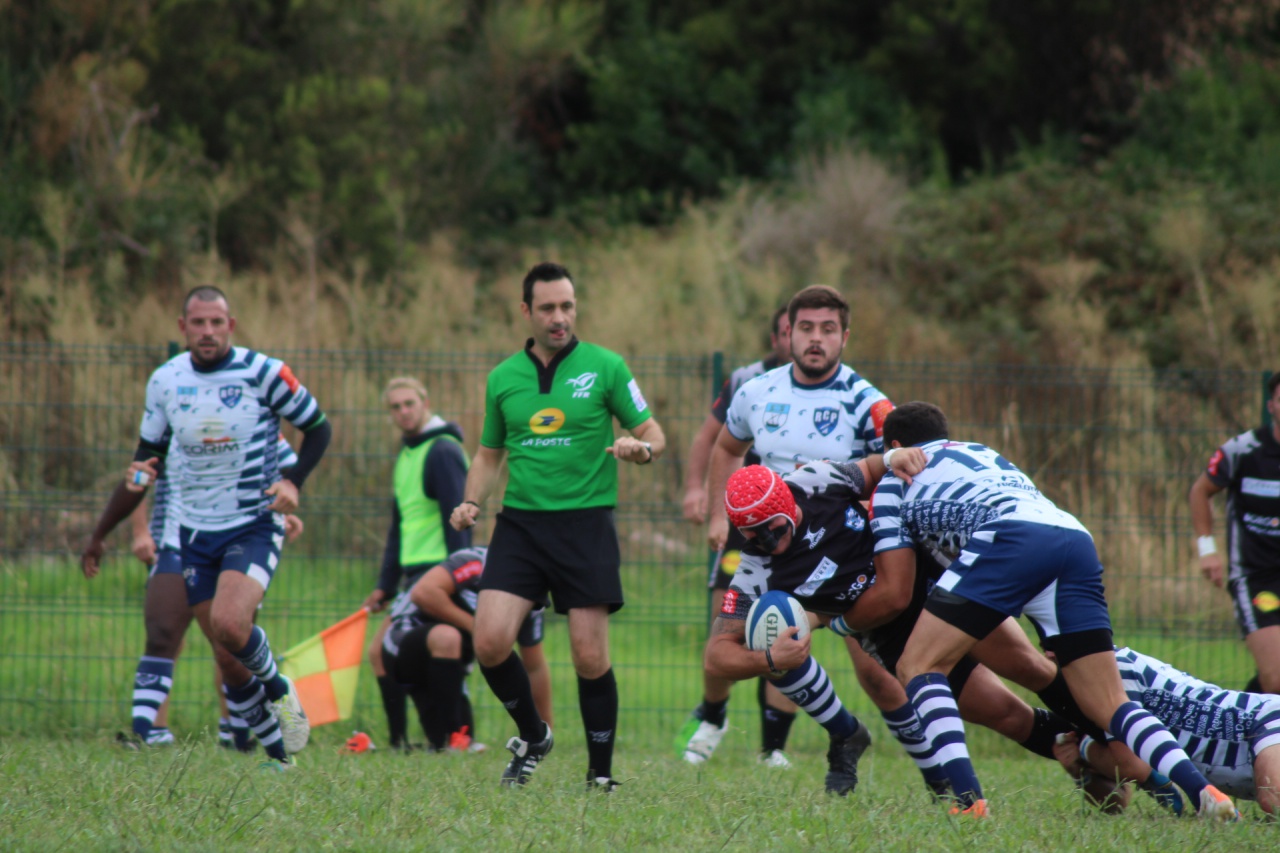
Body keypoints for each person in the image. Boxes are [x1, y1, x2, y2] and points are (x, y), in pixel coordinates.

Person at [870, 400, 1238, 819]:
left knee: (918, 665)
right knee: (1110, 702)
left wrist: (841, 619)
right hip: (1071, 535)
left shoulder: (893, 480)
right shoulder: (980, 452)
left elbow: (895, 588)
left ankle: (968, 802)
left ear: (895, 445)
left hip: (1010, 536)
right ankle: (1205, 792)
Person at [714, 460, 1080, 798]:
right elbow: (716, 656)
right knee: (1007, 716)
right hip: (892, 637)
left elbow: (877, 468)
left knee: (1033, 669)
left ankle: (1112, 733)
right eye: (753, 537)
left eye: (771, 530)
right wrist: (768, 657)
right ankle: (1086, 756)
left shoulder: (814, 481)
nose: (766, 543)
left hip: (936, 587)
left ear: (787, 503)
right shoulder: (755, 571)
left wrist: (894, 458)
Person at [81, 285, 332, 767]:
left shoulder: (264, 373)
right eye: (198, 323)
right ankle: (280, 757)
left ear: (231, 326)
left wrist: (294, 482)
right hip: (192, 533)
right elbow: (143, 464)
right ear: (183, 328)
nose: (208, 331)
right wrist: (100, 532)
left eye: (217, 322)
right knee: (226, 654)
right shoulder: (166, 382)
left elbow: (319, 427)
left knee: (230, 624)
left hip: (252, 524)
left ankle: (281, 693)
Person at [449, 261, 666, 790]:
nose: (559, 317)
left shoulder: (607, 366)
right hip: (520, 526)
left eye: (567, 305)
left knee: (589, 656)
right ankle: (534, 735)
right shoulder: (503, 378)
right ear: (526, 311)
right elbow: (486, 454)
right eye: (547, 307)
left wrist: (642, 449)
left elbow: (653, 432)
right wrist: (471, 501)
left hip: (585, 524)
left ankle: (600, 776)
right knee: (490, 641)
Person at [682, 284, 905, 769]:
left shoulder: (865, 400)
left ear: (845, 336)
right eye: (806, 328)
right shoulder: (756, 391)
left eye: (828, 329)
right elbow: (725, 447)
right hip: (763, 544)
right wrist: (721, 514)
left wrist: (873, 531)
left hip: (841, 550)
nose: (815, 339)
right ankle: (716, 718)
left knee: (878, 674)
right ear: (788, 332)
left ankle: (930, 759)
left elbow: (893, 468)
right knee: (751, 633)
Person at [677, 306, 803, 766]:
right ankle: (713, 716)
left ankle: (773, 748)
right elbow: (710, 440)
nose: (799, 339)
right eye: (791, 331)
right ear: (775, 338)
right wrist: (702, 497)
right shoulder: (748, 382)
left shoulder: (833, 388)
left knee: (788, 622)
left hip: (795, 528)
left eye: (807, 329)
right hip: (742, 526)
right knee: (723, 618)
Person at [120, 436, 303, 752]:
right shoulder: (175, 407)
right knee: (163, 634)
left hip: (238, 544)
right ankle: (145, 733)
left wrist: (280, 512)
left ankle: (239, 734)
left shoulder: (255, 410)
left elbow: (286, 469)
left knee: (229, 642)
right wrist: (139, 531)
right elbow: (138, 475)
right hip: (176, 542)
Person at [361, 377, 471, 751]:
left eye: (410, 403)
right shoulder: (408, 454)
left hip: (439, 575)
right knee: (386, 652)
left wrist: (456, 582)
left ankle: (449, 738)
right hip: (413, 576)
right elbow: (399, 528)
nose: (403, 412)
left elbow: (460, 522)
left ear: (425, 402)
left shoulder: (441, 451)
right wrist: (385, 585)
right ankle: (409, 741)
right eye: (395, 406)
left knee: (400, 648)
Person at [1053, 645, 1280, 817]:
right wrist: (1080, 772)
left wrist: (1085, 749)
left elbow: (1132, 766)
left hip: (1265, 717)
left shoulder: (1115, 668)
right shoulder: (1088, 696)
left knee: (1274, 799)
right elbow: (1116, 803)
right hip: (1256, 739)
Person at [380, 545, 553, 751]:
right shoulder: (475, 560)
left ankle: (447, 741)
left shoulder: (531, 597)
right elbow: (423, 593)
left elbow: (534, 668)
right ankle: (455, 739)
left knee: (443, 743)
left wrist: (544, 732)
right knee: (447, 637)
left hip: (447, 663)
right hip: (402, 645)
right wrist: (480, 630)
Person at [1188, 371, 1280, 696]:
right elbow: (1200, 491)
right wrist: (1207, 550)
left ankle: (1241, 727)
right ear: (1272, 405)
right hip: (1256, 579)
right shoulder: (1242, 451)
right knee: (1277, 680)